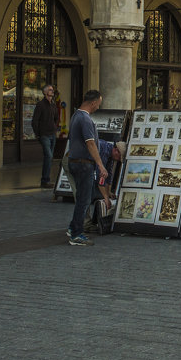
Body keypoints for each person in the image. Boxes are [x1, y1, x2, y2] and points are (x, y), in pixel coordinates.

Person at [66, 89, 107, 247]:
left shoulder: (76, 115)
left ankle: (72, 227)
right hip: (84, 163)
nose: (98, 107)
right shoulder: (85, 119)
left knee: (82, 198)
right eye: (98, 104)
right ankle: (76, 234)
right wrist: (100, 164)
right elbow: (90, 143)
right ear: (93, 102)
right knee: (84, 199)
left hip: (75, 161)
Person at [31, 85, 61, 188]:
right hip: (44, 135)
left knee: (49, 157)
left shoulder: (53, 105)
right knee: (49, 156)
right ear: (45, 92)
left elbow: (57, 117)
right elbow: (34, 121)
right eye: (50, 90)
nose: (52, 91)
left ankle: (45, 180)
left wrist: (55, 127)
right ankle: (45, 180)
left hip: (52, 134)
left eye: (52, 90)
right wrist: (38, 134)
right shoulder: (40, 105)